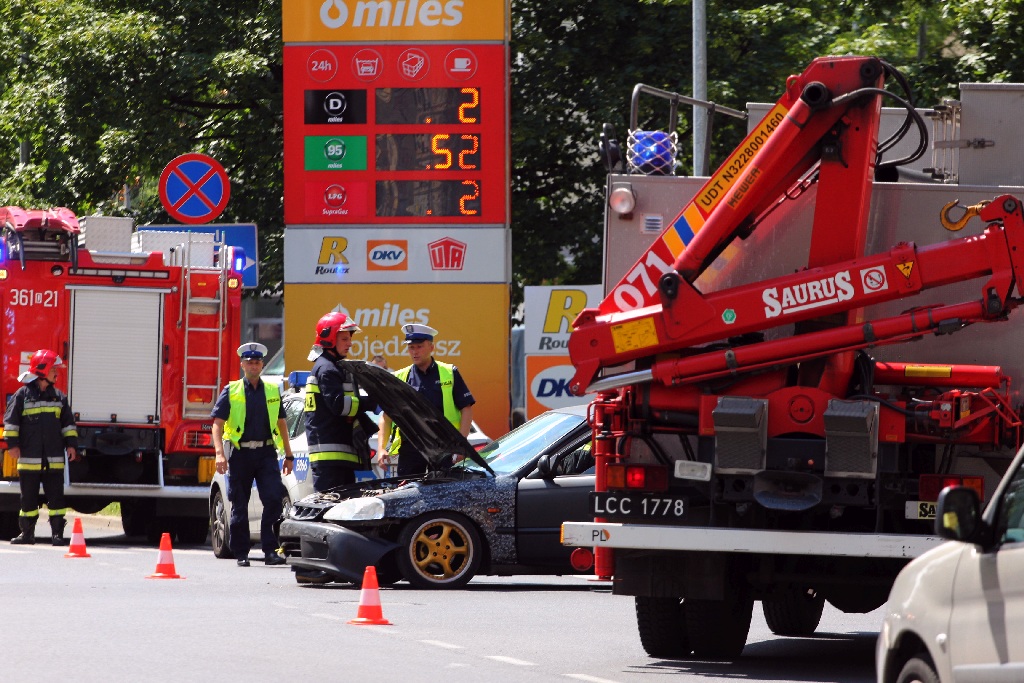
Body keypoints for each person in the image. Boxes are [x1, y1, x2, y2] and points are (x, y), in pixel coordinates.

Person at [211, 342, 294, 567]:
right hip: (241, 454)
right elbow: (217, 424)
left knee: (274, 500)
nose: (253, 365)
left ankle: (269, 550)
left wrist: (289, 455)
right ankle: (241, 552)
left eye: (257, 362)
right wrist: (220, 453)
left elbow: (282, 423)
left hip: (267, 452)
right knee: (239, 503)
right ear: (242, 364)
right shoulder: (232, 390)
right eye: (249, 362)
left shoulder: (271, 390)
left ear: (262, 365)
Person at [379, 324, 476, 476]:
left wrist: (461, 445)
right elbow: (386, 417)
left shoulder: (449, 372)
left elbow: (467, 408)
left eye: (419, 347)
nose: (414, 352)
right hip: (411, 448)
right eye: (411, 347)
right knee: (408, 495)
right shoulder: (399, 377)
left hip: (444, 447)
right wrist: (381, 448)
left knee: (443, 494)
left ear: (431, 347)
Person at [4, 349, 79, 545]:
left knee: (56, 499)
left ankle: (57, 535)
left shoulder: (59, 398)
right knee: (27, 499)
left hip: (53, 459)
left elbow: (68, 424)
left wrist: (71, 445)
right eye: (54, 369)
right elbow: (11, 423)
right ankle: (27, 534)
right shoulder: (22, 396)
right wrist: (12, 445)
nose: (57, 373)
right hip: (29, 459)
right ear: (43, 370)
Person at [304, 311, 377, 491]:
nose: (350, 343)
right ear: (330, 338)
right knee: (328, 512)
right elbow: (339, 405)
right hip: (331, 460)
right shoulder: (327, 369)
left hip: (336, 459)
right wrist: (372, 402)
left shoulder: (331, 366)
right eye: (344, 339)